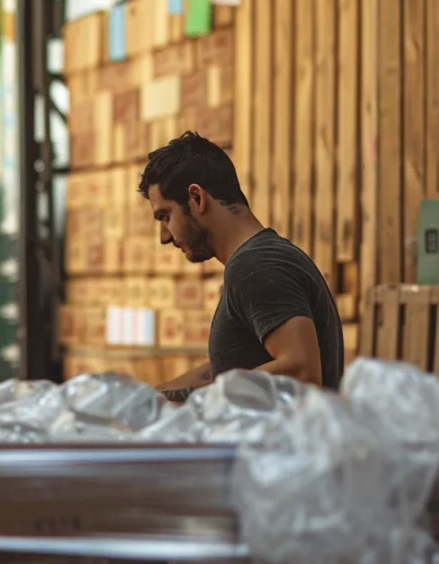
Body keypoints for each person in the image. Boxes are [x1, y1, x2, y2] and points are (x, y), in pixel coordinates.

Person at [138, 131, 343, 401]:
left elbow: (301, 371)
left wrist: (196, 400)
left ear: (196, 198)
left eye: (165, 216)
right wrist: (147, 399)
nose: (164, 236)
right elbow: (230, 373)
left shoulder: (256, 266)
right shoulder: (259, 260)